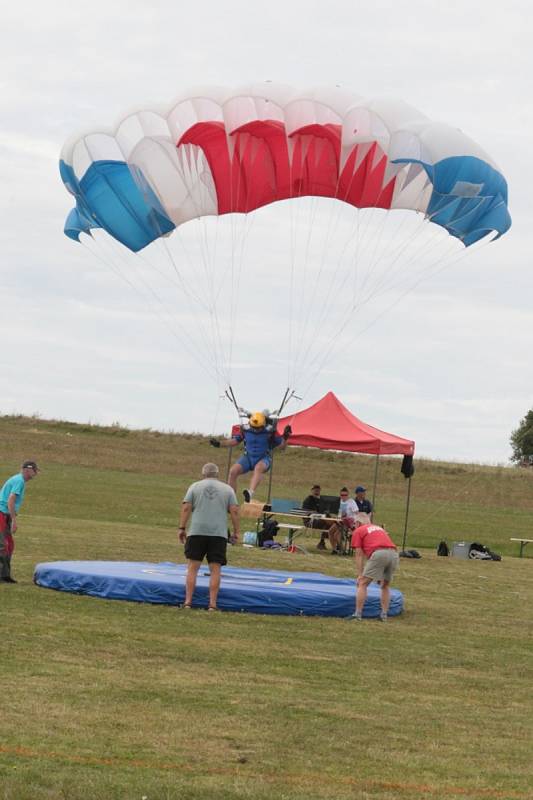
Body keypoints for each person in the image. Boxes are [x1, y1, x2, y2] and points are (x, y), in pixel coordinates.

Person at [178, 462, 240, 611]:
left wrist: (181, 527)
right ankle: (212, 604)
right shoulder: (228, 490)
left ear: (203, 474)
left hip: (197, 531)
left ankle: (188, 602)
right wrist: (237, 531)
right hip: (218, 534)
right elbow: (234, 511)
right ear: (217, 474)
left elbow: (186, 508)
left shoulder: (194, 487)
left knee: (193, 567)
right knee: (215, 569)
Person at [210, 410, 291, 503]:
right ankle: (230, 501)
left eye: (258, 428)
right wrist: (219, 444)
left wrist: (285, 437)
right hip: (248, 458)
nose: (256, 430)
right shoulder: (245, 430)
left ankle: (250, 493)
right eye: (254, 428)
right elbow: (235, 441)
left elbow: (282, 447)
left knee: (258, 468)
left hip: (264, 458)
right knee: (233, 472)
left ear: (263, 424)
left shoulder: (270, 432)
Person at [350, 515, 399, 621]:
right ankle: (384, 615)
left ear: (358, 523)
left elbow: (359, 554)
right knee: (385, 585)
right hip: (394, 554)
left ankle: (357, 614)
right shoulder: (379, 528)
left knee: (362, 583)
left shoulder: (359, 530)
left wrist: (360, 574)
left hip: (379, 553)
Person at [0, 460, 39, 583]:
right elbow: (11, 500)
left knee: (9, 545)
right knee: (2, 546)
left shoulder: (19, 480)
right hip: (1, 514)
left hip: (5, 515)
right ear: (28, 470)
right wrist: (14, 521)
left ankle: (5, 575)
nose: (36, 474)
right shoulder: (19, 480)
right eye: (35, 471)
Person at [302, 484, 331, 551]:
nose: (316, 491)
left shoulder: (321, 500)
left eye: (318, 490)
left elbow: (323, 511)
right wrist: (314, 513)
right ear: (312, 491)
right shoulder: (308, 500)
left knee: (329, 520)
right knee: (326, 521)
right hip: (309, 521)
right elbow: (305, 512)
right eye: (315, 490)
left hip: (319, 520)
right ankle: (323, 542)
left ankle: (323, 542)